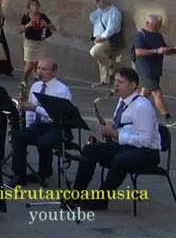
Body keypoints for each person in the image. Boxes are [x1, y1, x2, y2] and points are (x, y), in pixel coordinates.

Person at [69, 66, 162, 210]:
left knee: (119, 160)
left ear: (132, 85)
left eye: (120, 82)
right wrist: (110, 133)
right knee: (90, 149)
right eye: (115, 81)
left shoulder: (142, 106)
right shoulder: (122, 101)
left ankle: (100, 200)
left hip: (147, 153)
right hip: (126, 147)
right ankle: (76, 195)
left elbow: (145, 140)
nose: (116, 85)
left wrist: (116, 134)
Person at [12, 59, 73, 185]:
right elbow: (29, 108)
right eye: (38, 68)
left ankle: (44, 172)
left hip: (56, 126)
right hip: (39, 124)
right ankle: (19, 174)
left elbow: (58, 115)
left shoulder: (62, 90)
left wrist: (35, 108)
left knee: (43, 143)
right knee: (18, 136)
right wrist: (29, 125)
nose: (40, 72)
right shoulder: (35, 86)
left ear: (53, 72)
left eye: (44, 69)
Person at [134, 14, 173, 124]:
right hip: (145, 70)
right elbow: (138, 52)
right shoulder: (141, 35)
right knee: (157, 93)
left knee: (145, 93)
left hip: (155, 70)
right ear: (147, 23)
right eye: (155, 25)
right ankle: (168, 118)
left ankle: (134, 113)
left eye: (159, 25)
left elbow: (164, 49)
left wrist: (172, 50)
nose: (158, 28)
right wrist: (156, 51)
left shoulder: (158, 36)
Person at [89, 0, 125, 86]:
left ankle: (111, 65)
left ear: (105, 1)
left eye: (98, 0)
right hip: (98, 37)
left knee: (95, 52)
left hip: (107, 39)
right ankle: (104, 81)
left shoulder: (114, 12)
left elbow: (112, 28)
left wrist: (102, 37)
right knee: (101, 59)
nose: (96, 3)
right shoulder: (100, 11)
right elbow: (92, 17)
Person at [18, 0, 55, 82]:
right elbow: (20, 30)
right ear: (29, 7)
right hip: (29, 43)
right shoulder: (26, 16)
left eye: (36, 5)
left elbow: (54, 27)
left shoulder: (42, 16)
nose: (35, 7)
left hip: (41, 43)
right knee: (29, 66)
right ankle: (24, 80)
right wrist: (27, 25)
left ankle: (36, 82)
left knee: (38, 65)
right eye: (32, 5)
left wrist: (46, 25)